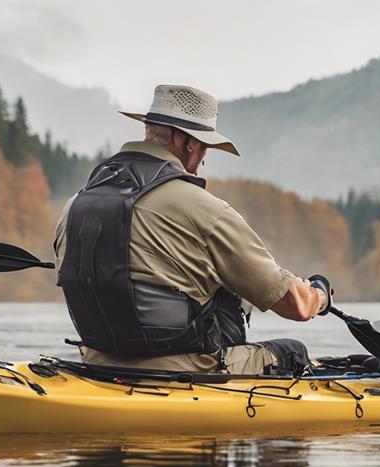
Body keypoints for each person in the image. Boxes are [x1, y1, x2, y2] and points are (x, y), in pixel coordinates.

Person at [54, 84, 332, 374]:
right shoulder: (204, 209)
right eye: (204, 146)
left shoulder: (75, 204)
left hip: (97, 363)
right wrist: (319, 295)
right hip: (184, 369)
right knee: (293, 352)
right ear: (187, 142)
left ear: (149, 130)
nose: (204, 158)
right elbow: (293, 304)